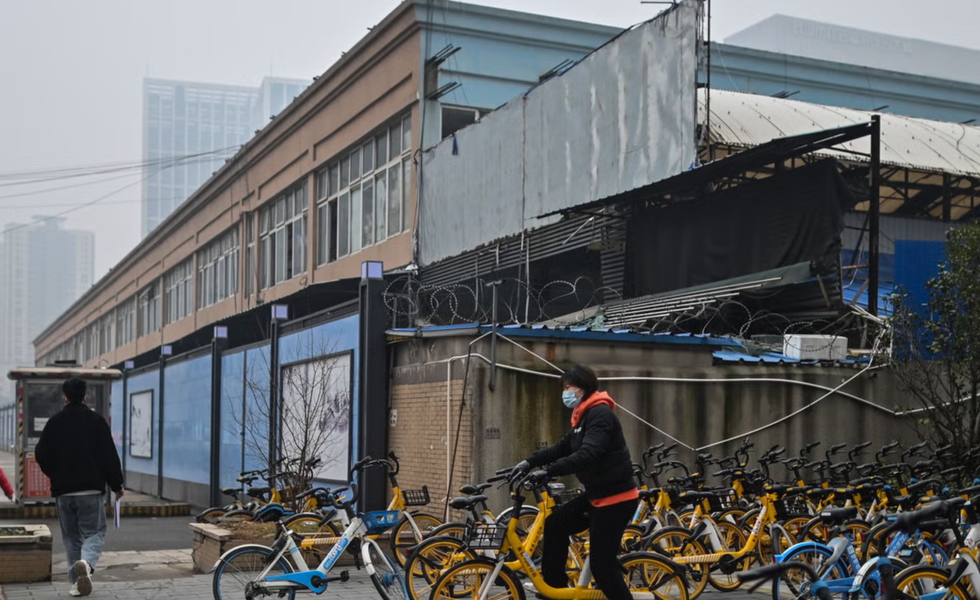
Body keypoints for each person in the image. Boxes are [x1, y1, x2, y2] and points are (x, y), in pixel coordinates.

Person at [512, 365, 638, 600]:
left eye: (568, 387)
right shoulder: (583, 416)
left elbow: (590, 453)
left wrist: (549, 471)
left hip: (616, 499)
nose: (565, 392)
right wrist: (528, 463)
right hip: (597, 494)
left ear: (583, 387)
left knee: (603, 568)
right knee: (556, 523)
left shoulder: (600, 414)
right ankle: (555, 590)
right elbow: (561, 447)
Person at [35, 378, 124, 598]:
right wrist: (116, 485)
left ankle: (77, 584)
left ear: (64, 397)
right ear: (85, 396)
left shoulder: (54, 422)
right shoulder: (97, 421)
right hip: (91, 490)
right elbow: (109, 456)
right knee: (94, 532)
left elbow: (41, 454)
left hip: (64, 491)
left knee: (71, 538)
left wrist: (56, 475)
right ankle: (88, 563)